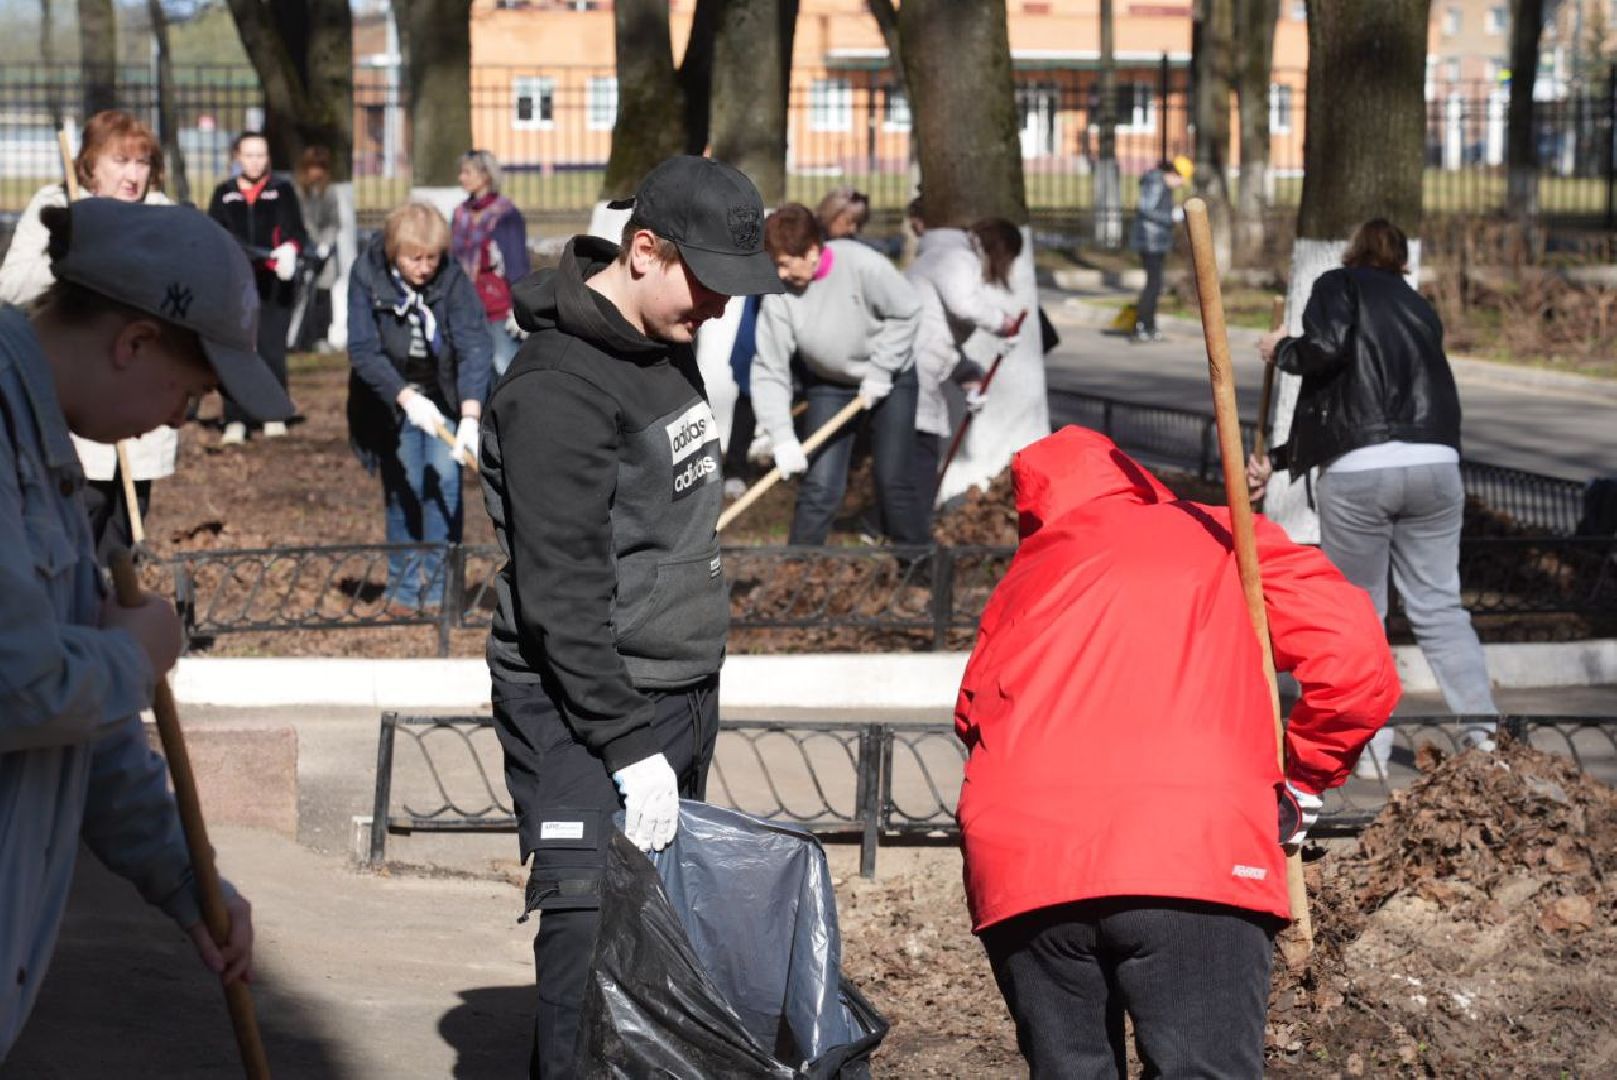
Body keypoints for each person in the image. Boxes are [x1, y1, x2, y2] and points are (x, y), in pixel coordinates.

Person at [956, 425, 1400, 1078]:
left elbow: (971, 719)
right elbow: (1354, 663)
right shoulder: (1222, 535)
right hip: (1188, 857)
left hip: (1022, 872)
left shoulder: (1022, 582)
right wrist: (1306, 778)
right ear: (1135, 479)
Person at [478, 154, 783, 1078]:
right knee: (587, 941)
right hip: (588, 712)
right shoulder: (558, 390)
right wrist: (624, 744)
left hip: (672, 689)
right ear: (643, 250)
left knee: (648, 943)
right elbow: (560, 591)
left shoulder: (659, 340)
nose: (723, 308)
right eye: (710, 284)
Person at [0, 198, 278, 1057]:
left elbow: (86, 740)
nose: (177, 423)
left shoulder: (48, 466)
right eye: (190, 394)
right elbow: (18, 686)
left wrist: (188, 882)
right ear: (133, 342)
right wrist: (133, 656)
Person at [1249, 218, 1499, 774]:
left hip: (1360, 476)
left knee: (1363, 613)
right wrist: (1284, 461)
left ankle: (1372, 753)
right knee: (1439, 606)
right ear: (1402, 260)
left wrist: (1281, 349)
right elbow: (1354, 402)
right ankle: (1483, 738)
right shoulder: (1418, 308)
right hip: (1436, 465)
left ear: (1352, 252)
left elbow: (1326, 353)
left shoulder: (1338, 286)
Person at [0, 109, 178, 565]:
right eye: (120, 161)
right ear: (89, 163)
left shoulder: (161, 217)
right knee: (76, 519)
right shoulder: (54, 205)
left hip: (139, 397)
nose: (133, 175)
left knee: (126, 524)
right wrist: (70, 255)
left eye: (142, 163)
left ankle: (121, 614)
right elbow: (12, 288)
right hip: (75, 397)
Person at [752, 202, 925, 546]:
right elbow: (769, 368)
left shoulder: (863, 265)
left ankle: (921, 570)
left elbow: (907, 311)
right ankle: (796, 575)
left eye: (785, 264)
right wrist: (782, 436)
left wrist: (881, 369)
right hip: (829, 384)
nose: (781, 274)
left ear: (813, 251)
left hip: (890, 381)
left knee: (893, 479)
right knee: (821, 483)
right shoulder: (780, 295)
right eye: (776, 266)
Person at [347, 201, 492, 614]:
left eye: (432, 258)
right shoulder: (367, 275)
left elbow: (473, 343)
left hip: (444, 393)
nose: (425, 268)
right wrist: (407, 398)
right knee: (404, 485)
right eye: (416, 259)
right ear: (395, 252)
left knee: (444, 481)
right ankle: (405, 587)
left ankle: (443, 589)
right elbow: (362, 349)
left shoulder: (451, 278)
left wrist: (469, 416)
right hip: (391, 398)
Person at [904, 215, 1025, 520]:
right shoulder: (957, 258)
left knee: (921, 447)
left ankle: (912, 520)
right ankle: (912, 525)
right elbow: (964, 306)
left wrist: (968, 375)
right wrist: (1003, 323)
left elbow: (943, 334)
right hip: (915, 366)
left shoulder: (945, 255)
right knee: (920, 450)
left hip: (921, 363)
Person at [208, 130, 308, 444]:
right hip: (236, 287)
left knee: (270, 350)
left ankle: (273, 412)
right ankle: (236, 417)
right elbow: (213, 236)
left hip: (274, 285)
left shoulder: (282, 191)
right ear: (238, 157)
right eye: (249, 155)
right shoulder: (224, 194)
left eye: (261, 155)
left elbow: (296, 231)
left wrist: (290, 250)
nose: (255, 162)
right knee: (237, 350)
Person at [452, 149, 532, 379]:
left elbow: (517, 265)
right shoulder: (460, 214)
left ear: (486, 175)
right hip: (465, 305)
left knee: (506, 366)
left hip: (498, 307)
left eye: (467, 172)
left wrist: (520, 307)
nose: (461, 178)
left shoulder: (506, 215)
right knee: (472, 370)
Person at [1127, 155, 1191, 344]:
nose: (1180, 184)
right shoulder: (1156, 183)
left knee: (1156, 285)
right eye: (1180, 179)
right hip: (1150, 240)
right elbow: (1146, 209)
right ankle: (1142, 326)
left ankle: (1149, 326)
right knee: (1153, 285)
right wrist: (1171, 216)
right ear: (1174, 173)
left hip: (1156, 240)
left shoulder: (1161, 185)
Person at [292, 145, 341, 352]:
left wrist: (325, 244)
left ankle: (321, 335)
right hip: (301, 249)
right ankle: (299, 337)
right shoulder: (296, 191)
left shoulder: (329, 192)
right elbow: (296, 221)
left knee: (323, 292)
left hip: (323, 251)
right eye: (313, 167)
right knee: (300, 295)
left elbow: (334, 222)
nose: (316, 173)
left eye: (321, 168)